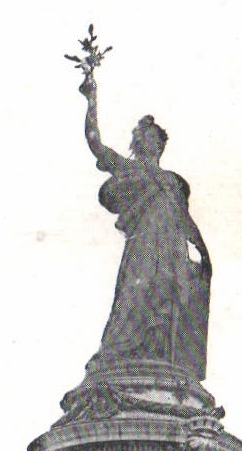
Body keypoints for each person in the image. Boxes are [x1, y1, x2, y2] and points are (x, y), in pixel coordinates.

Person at [80, 71, 212, 380]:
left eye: (149, 137)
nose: (143, 141)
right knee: (134, 295)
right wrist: (91, 99)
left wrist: (204, 252)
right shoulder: (130, 169)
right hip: (143, 245)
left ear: (158, 145)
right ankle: (121, 356)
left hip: (171, 250)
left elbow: (185, 220)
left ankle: (160, 361)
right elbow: (95, 143)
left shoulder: (171, 182)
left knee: (168, 302)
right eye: (140, 136)